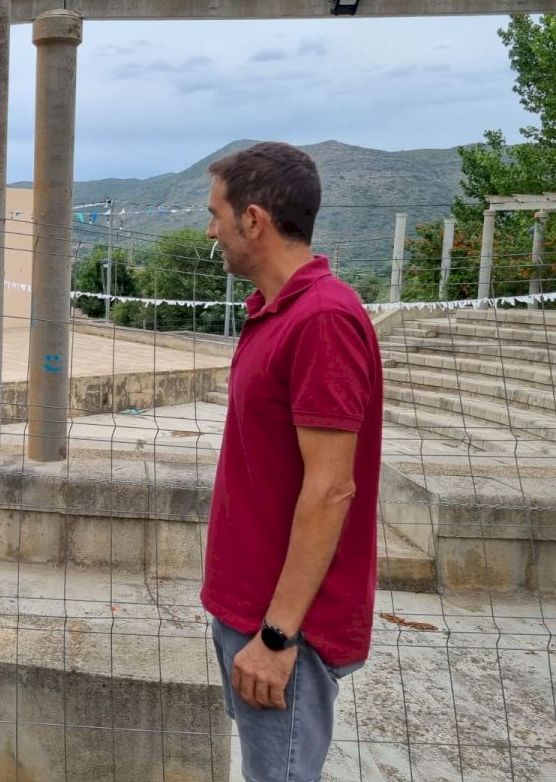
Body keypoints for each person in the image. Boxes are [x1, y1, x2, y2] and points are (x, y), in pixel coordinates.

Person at [199, 142, 383, 781]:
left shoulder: (322, 320)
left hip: (281, 631)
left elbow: (331, 490)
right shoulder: (277, 312)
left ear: (253, 220)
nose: (211, 231)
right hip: (249, 610)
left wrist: (277, 637)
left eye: (216, 214)